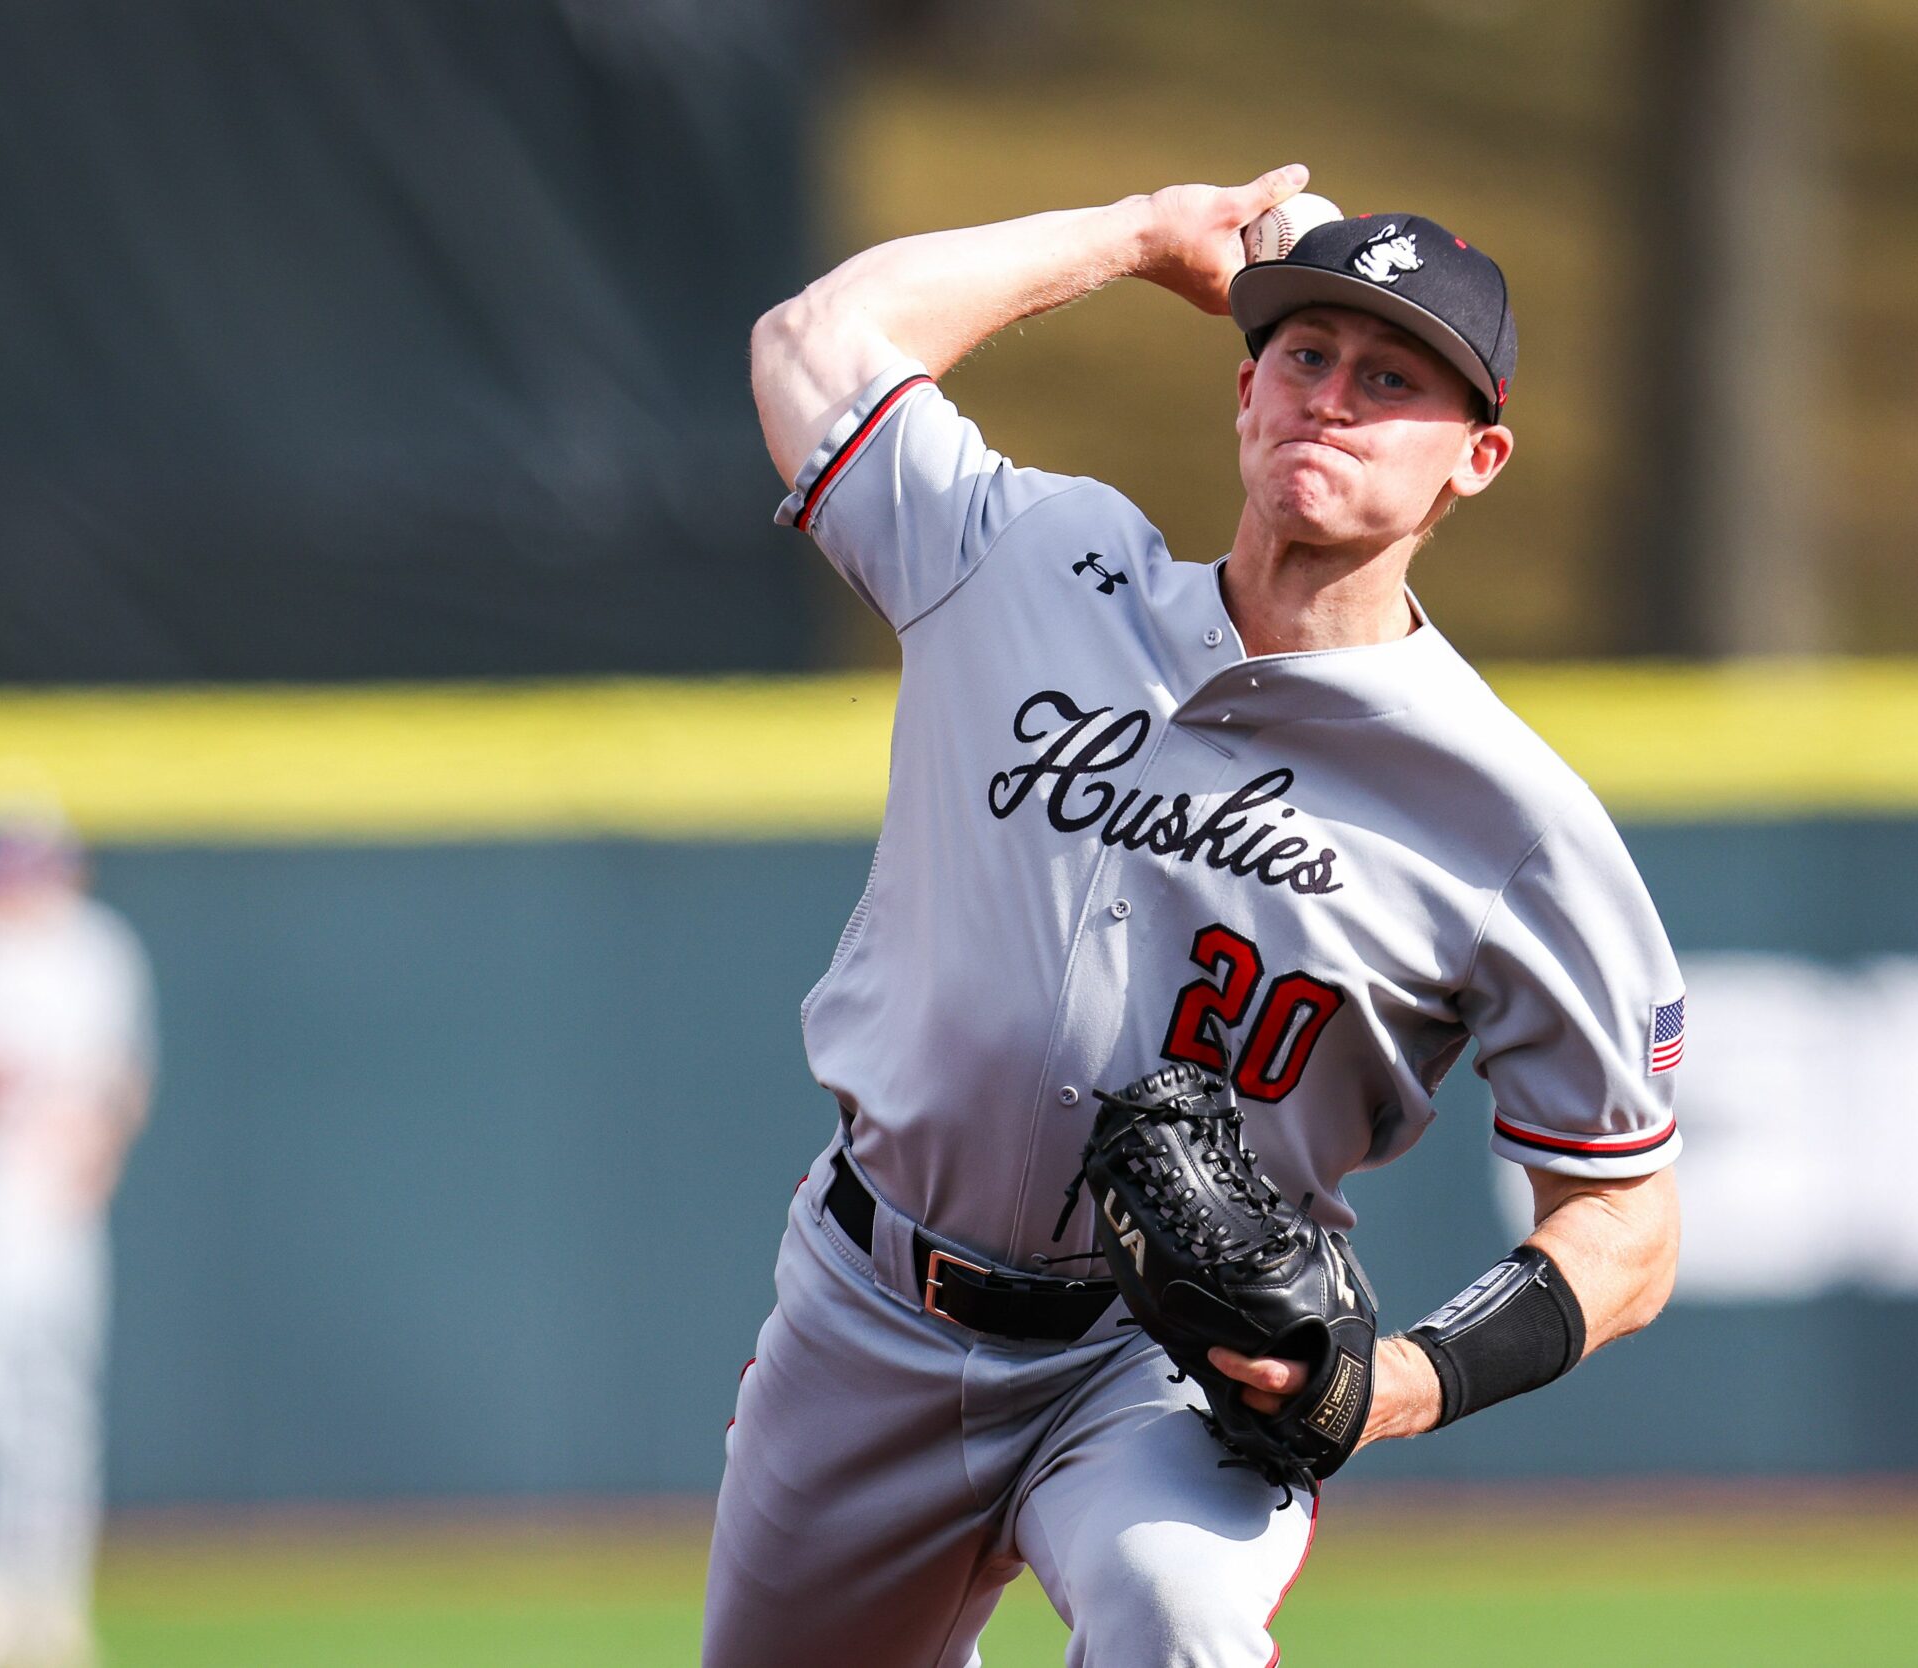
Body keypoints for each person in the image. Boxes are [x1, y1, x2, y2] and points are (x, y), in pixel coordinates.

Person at [710, 166, 1685, 1668]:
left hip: (1162, 1358)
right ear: (1245, 394)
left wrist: (1398, 1382)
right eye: (1305, 356)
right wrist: (1134, 236)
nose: (1334, 400)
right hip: (869, 1310)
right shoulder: (1026, 564)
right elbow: (812, 341)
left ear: (1475, 461)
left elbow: (1627, 1220)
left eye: (1392, 379)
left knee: (1180, 1619)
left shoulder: (1510, 816)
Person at [0, 792, 153, 1668]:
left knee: (54, 1415)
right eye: (4, 866)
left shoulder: (94, 949)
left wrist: (91, 1155)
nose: (18, 884)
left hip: (49, 1205)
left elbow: (120, 1084)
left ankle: (49, 1607)